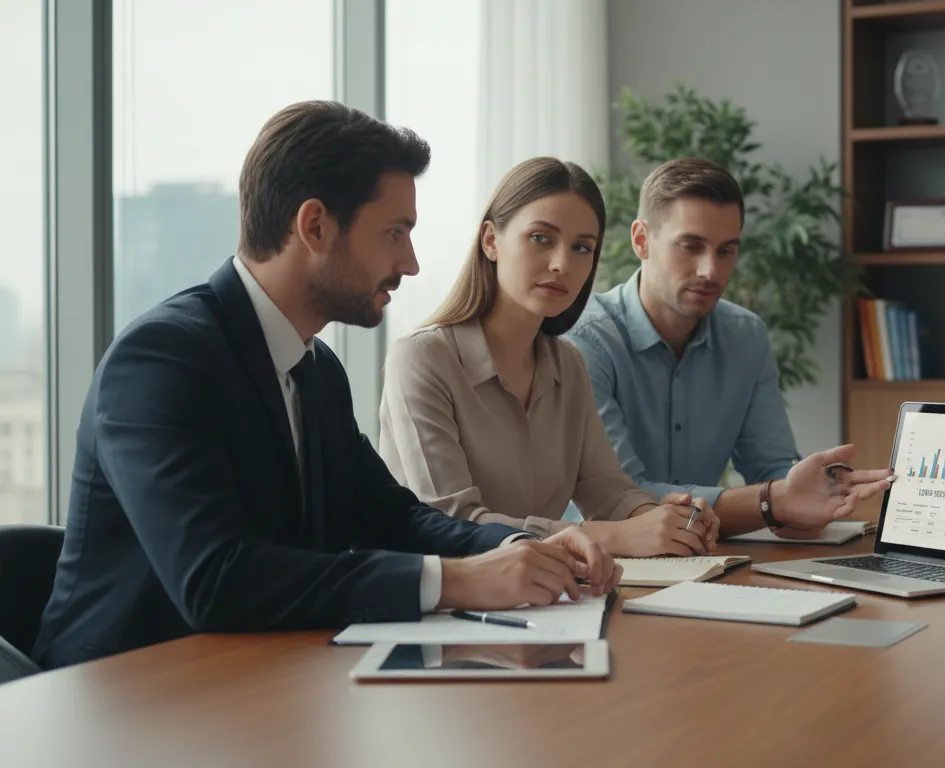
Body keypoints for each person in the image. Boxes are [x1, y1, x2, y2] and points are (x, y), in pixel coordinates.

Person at [32, 102, 618, 670]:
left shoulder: (316, 371)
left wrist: (513, 546)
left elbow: (392, 516)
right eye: (395, 232)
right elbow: (214, 580)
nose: (410, 262)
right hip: (123, 697)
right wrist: (457, 580)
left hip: (261, 678)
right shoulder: (162, 359)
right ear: (314, 225)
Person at [378, 157, 719, 558]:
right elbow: (450, 521)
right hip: (443, 604)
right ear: (491, 240)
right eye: (541, 238)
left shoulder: (568, 363)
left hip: (548, 598)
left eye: (581, 247)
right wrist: (605, 537)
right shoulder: (421, 359)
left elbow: (606, 489)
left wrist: (665, 519)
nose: (562, 264)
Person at [564, 157, 894, 540]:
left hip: (704, 554)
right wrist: (775, 502)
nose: (711, 271)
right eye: (691, 246)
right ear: (641, 240)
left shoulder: (745, 336)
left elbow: (771, 470)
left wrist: (811, 495)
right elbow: (622, 498)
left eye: (726, 251)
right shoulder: (585, 340)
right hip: (594, 564)